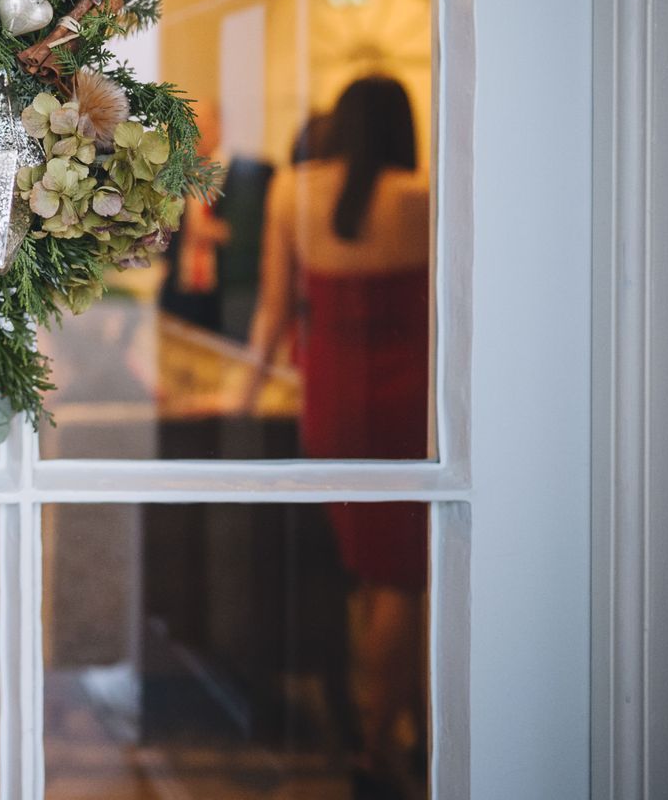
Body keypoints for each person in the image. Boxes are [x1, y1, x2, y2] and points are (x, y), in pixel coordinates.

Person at [243, 76, 430, 799]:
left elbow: (272, 315)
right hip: (409, 406)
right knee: (401, 579)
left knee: (370, 575)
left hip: (334, 405)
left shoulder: (294, 192)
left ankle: (389, 731)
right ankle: (383, 746)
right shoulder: (423, 197)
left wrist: (243, 398)